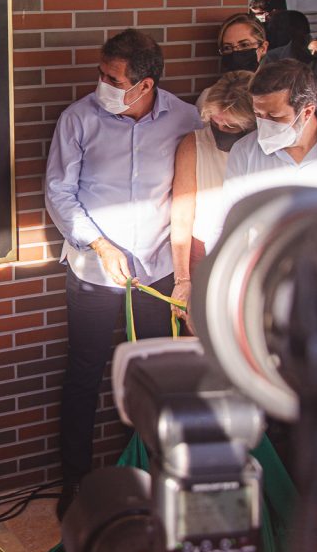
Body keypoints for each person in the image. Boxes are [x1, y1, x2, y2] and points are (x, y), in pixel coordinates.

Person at [45, 28, 202, 520]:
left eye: (113, 78)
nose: (102, 84)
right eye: (101, 73)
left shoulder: (184, 118)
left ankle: (146, 472)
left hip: (155, 270)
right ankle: (76, 481)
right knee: (85, 372)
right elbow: (59, 192)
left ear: (145, 85)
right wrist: (98, 242)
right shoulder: (78, 119)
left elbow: (193, 186)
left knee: (151, 377)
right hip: (95, 268)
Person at [205, 59, 317, 250]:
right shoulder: (244, 151)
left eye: (275, 117)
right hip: (267, 267)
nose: (265, 123)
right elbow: (229, 222)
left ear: (307, 112)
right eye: (259, 115)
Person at [171, 71, 255, 325]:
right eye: (216, 123)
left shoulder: (266, 147)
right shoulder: (194, 144)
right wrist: (183, 279)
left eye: (231, 127)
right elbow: (182, 214)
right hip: (204, 251)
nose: (221, 130)